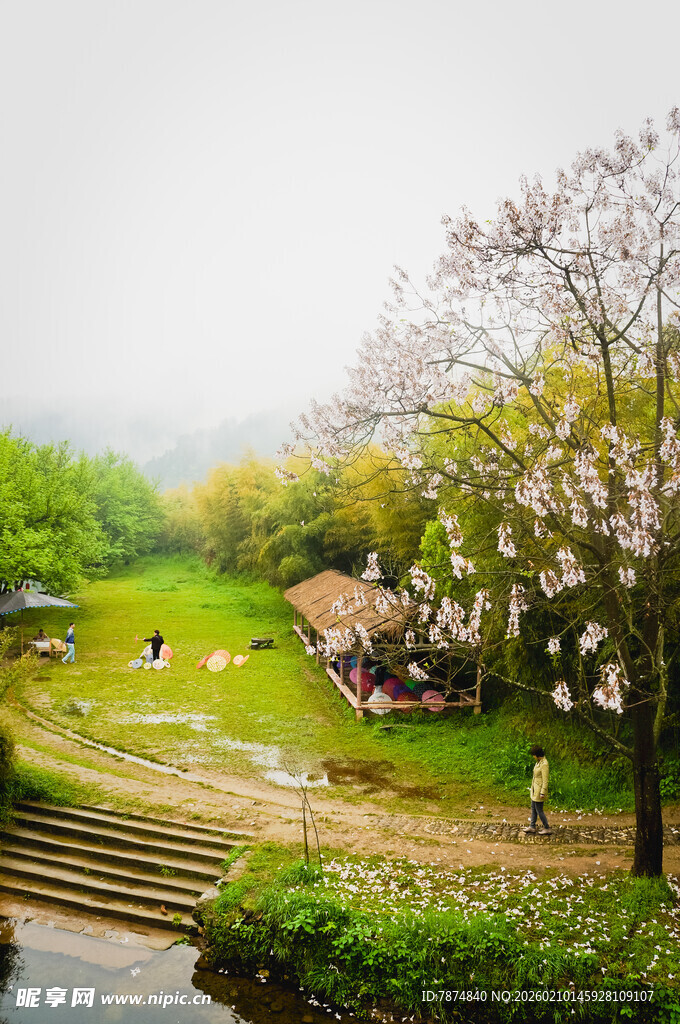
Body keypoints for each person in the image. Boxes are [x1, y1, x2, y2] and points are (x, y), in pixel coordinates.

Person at [523, 745, 552, 835]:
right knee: (533, 808)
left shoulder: (544, 764)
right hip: (535, 789)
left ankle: (547, 827)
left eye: (533, 755)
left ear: (537, 755)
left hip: (539, 790)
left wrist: (543, 792)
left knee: (539, 810)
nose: (533, 756)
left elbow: (545, 780)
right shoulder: (539, 762)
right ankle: (532, 826)